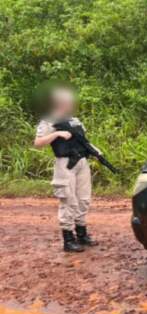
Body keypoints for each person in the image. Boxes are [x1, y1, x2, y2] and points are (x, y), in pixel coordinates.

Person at [32, 85, 98, 252]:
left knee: (83, 199)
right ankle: (68, 239)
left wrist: (96, 151)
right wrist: (56, 134)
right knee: (68, 200)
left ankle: (82, 235)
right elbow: (38, 143)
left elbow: (84, 140)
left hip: (81, 162)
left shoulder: (74, 120)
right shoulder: (49, 120)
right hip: (65, 164)